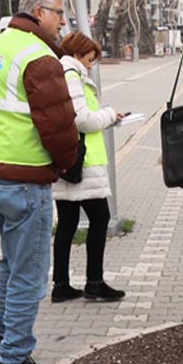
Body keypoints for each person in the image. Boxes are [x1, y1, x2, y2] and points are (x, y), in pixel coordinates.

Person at [0, 0, 78, 364]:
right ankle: (13, 363)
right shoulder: (38, 56)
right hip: (24, 176)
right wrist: (66, 164)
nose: (62, 22)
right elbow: (59, 124)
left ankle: (1, 342)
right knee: (30, 273)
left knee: (11, 263)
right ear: (37, 12)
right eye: (57, 13)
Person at [51, 32, 126, 304]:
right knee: (100, 218)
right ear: (78, 54)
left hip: (67, 159)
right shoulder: (72, 75)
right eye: (90, 59)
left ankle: (61, 285)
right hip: (84, 162)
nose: (91, 64)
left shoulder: (61, 73)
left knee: (67, 223)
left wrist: (106, 116)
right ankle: (94, 282)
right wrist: (108, 115)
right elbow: (81, 119)